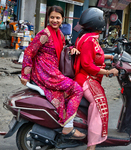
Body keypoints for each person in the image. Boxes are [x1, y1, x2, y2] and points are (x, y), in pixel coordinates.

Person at [20, 6, 85, 139]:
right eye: (52, 17)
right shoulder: (45, 34)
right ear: (48, 18)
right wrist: (25, 75)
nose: (54, 20)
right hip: (45, 73)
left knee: (69, 90)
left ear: (62, 19)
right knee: (77, 89)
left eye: (57, 18)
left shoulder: (59, 34)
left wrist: (72, 49)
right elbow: (29, 52)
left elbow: (63, 48)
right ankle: (68, 127)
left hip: (53, 71)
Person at [74, 8, 118, 150]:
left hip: (89, 78)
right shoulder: (88, 40)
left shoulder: (89, 37)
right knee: (99, 106)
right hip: (86, 78)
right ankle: (91, 145)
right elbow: (87, 64)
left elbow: (94, 56)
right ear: (97, 22)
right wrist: (107, 71)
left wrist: (110, 57)